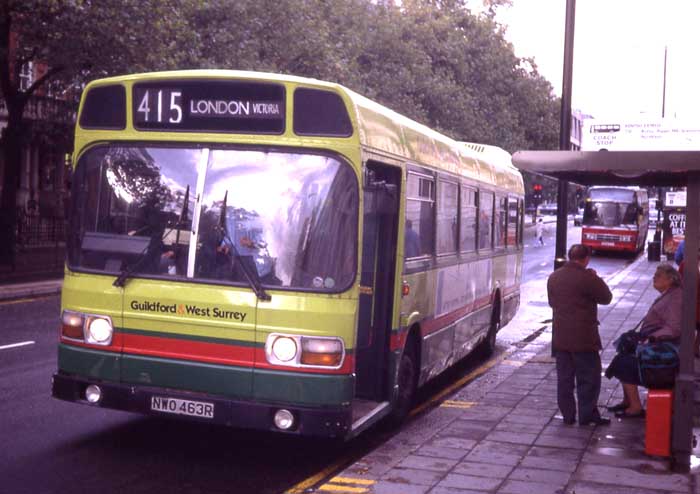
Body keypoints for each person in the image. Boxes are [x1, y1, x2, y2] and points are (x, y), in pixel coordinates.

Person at [605, 263, 682, 418]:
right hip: (658, 343)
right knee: (623, 351)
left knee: (624, 362)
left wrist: (652, 337)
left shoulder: (676, 297)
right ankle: (628, 400)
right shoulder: (670, 294)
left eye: (658, 275)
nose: (654, 277)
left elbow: (674, 328)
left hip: (665, 349)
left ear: (671, 279)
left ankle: (635, 406)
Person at [548, 244, 613, 426]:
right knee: (589, 378)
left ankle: (568, 415)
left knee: (565, 380)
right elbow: (606, 298)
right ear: (586, 258)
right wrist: (595, 277)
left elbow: (552, 302)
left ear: (570, 256)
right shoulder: (587, 278)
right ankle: (587, 415)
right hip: (584, 338)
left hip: (561, 338)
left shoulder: (554, 277)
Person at [678, 254, 700, 357]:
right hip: (689, 302)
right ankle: (688, 348)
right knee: (687, 326)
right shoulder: (686, 263)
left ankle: (696, 347)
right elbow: (679, 280)